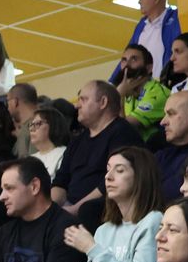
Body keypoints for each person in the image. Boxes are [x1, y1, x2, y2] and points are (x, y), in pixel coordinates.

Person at [46, 145, 164, 262]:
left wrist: (92, 248)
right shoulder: (104, 230)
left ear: (141, 176)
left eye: (119, 170)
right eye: (108, 169)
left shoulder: (154, 221)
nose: (108, 176)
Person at [0, 158, 85, 262]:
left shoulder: (67, 229)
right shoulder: (4, 232)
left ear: (34, 186)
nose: (1, 197)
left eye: (9, 188)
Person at [51, 81, 140, 222]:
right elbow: (61, 181)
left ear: (103, 102)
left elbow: (113, 181)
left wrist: (76, 208)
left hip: (103, 209)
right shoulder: (77, 140)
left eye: (83, 99)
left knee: (87, 210)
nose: (77, 105)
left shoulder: (123, 133)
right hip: (71, 208)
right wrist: (50, 210)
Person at [117, 0, 181, 75]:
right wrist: (112, 84)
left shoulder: (176, 19)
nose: (139, 1)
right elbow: (127, 56)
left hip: (167, 86)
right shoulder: (141, 26)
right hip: (143, 88)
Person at [116, 43, 168, 142]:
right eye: (124, 60)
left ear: (148, 68)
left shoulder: (156, 94)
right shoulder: (126, 90)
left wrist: (120, 95)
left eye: (134, 59)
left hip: (150, 151)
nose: (127, 65)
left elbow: (122, 129)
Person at [24, 104, 68, 178]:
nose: (31, 129)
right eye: (31, 124)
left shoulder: (64, 154)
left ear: (54, 125)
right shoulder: (30, 159)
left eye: (38, 124)